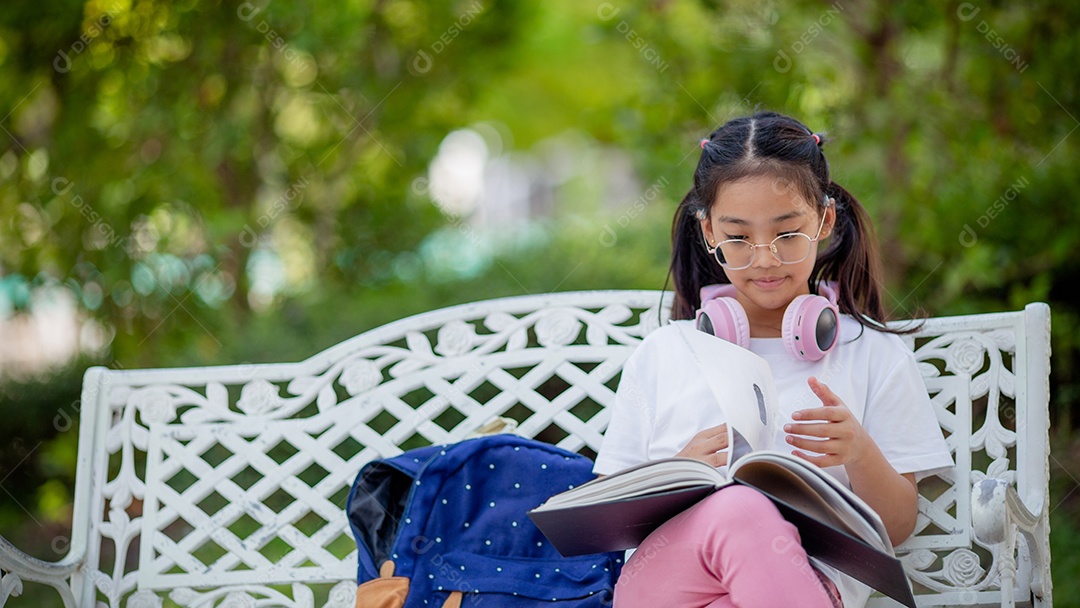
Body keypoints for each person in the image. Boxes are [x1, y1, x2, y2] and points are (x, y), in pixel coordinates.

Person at [593, 111, 953, 608]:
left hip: (807, 587)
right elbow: (606, 522)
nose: (764, 258)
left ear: (825, 220)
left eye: (786, 234)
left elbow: (895, 529)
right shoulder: (665, 352)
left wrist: (858, 453)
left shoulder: (872, 354)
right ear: (709, 232)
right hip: (664, 587)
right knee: (740, 508)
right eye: (738, 237)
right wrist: (676, 472)